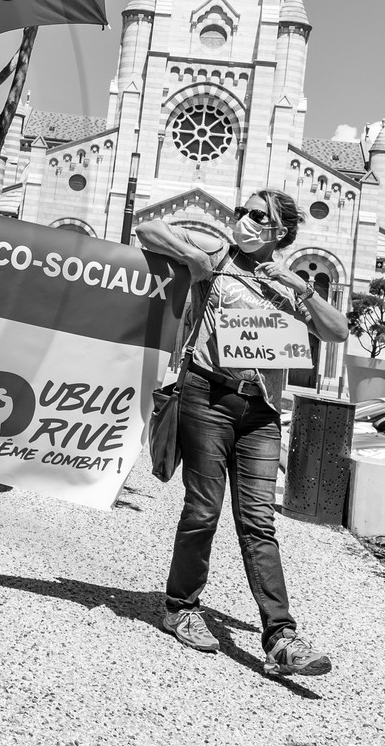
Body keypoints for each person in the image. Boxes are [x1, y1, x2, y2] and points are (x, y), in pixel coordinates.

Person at [139, 191, 348, 677]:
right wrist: (193, 260)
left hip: (263, 412)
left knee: (259, 522)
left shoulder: (290, 283)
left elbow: (337, 332)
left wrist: (300, 286)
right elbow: (147, 230)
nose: (244, 220)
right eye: (243, 211)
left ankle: (281, 637)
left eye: (258, 216)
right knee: (203, 508)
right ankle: (180, 607)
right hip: (206, 396)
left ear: (281, 232)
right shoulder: (217, 252)